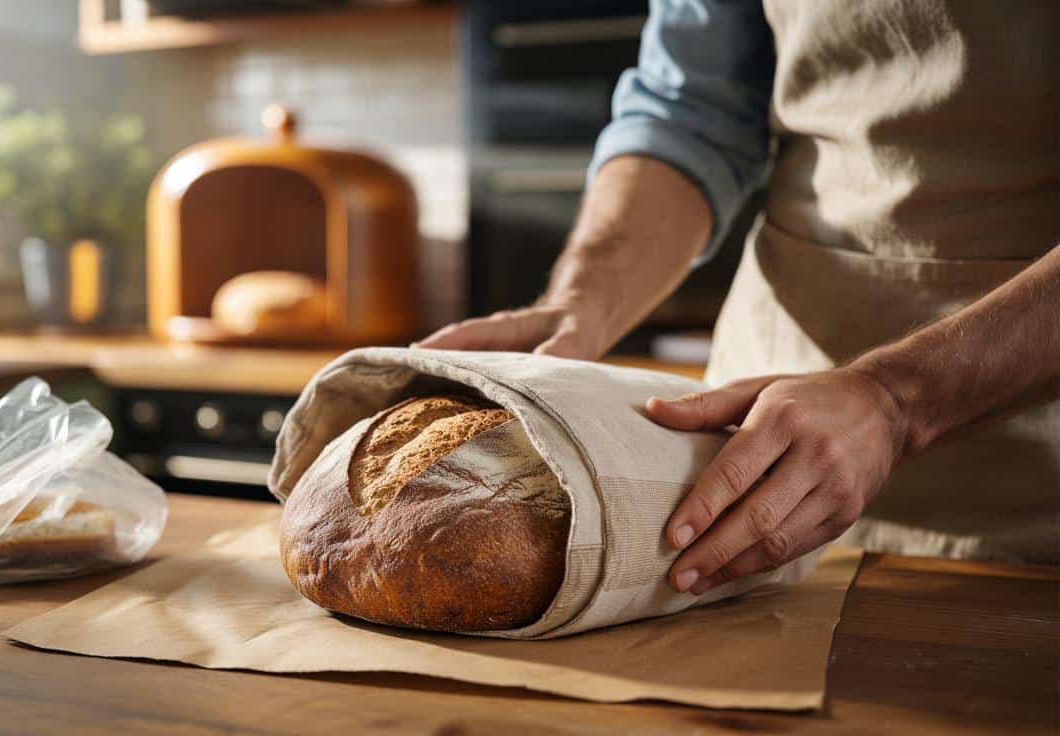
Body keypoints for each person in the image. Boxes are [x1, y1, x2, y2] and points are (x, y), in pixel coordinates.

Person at [419, 0, 1060, 593]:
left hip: (1028, 476)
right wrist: (583, 303)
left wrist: (894, 400)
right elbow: (690, 112)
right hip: (756, 454)